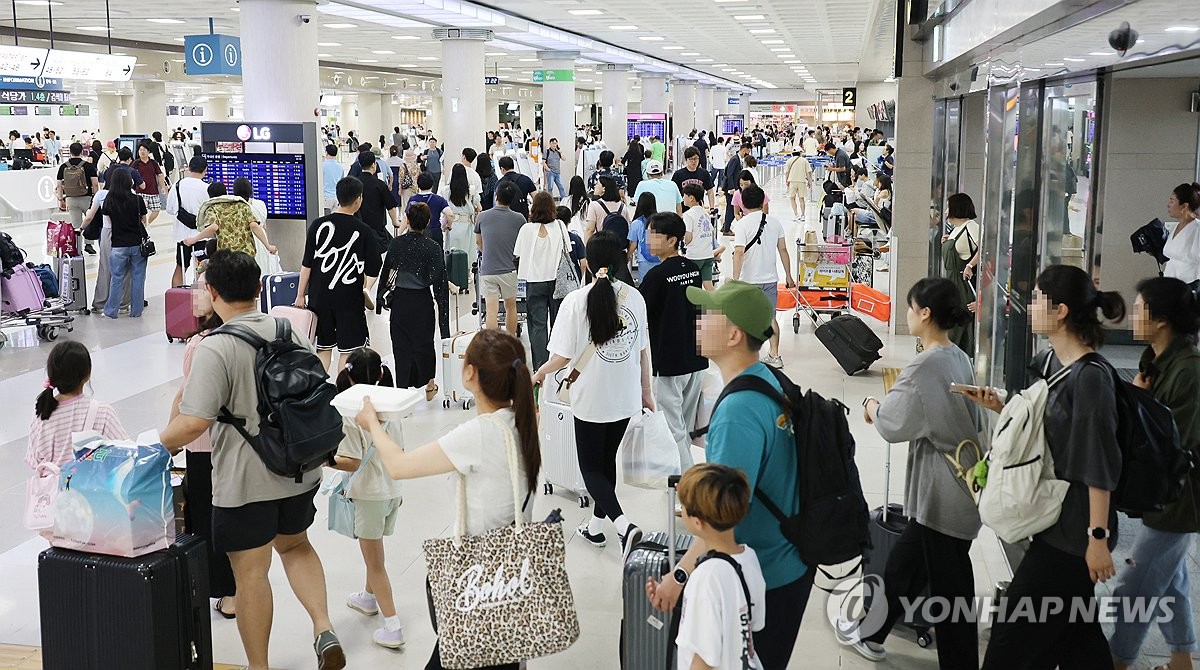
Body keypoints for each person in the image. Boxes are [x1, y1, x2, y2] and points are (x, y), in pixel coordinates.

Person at [159, 250, 347, 670]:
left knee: (250, 575)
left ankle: (259, 667)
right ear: (259, 288)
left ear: (211, 292)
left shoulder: (216, 346)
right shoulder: (289, 331)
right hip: (299, 469)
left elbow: (193, 422)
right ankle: (322, 626)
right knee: (296, 546)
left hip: (246, 483)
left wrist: (157, 448)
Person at [962, 264, 1125, 669]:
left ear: (1061, 311)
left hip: (1074, 534)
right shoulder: (1050, 361)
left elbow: (1099, 464)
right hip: (1051, 521)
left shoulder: (1091, 379)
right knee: (1077, 638)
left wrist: (1099, 538)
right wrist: (1000, 404)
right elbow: (1043, 423)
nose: (1029, 306)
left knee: (1010, 642)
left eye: (1037, 300)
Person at [648, 281, 813, 669]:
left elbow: (721, 515)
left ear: (735, 334)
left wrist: (680, 574)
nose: (697, 322)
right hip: (787, 563)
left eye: (707, 316)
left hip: (762, 575)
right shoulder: (768, 380)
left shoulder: (738, 411)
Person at [354, 328, 539, 670]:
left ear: (470, 373)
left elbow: (398, 466)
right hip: (510, 572)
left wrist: (372, 424)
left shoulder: (479, 434)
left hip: (476, 578)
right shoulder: (521, 423)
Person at [852, 278, 981, 667]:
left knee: (952, 590)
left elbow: (893, 424)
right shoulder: (957, 355)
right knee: (904, 567)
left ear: (925, 313)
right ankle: (872, 634)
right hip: (953, 488)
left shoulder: (925, 366)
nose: (907, 314)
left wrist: (873, 405)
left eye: (910, 308)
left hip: (943, 496)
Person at [532, 230, 653, 559]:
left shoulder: (575, 301)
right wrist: (646, 394)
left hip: (591, 397)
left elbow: (562, 356)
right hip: (625, 396)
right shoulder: (634, 298)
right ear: (622, 259)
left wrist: (541, 372)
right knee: (605, 463)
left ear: (590, 263)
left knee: (591, 469)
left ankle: (624, 525)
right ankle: (596, 527)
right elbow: (643, 353)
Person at [1110, 276, 1200, 670]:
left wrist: (1141, 402)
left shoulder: (1188, 372)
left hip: (1179, 499)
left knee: (1136, 585)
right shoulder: (1157, 361)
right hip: (1164, 496)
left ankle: (1118, 660)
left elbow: (1174, 443)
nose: (1133, 315)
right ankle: (1181, 658)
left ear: (1161, 319)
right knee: (1172, 579)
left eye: (1140, 308)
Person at [169, 276, 237, 620]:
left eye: (201, 288)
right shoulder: (233, 336)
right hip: (232, 442)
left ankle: (226, 590)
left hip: (201, 444)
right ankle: (231, 587)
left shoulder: (200, 344)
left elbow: (186, 399)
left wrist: (168, 439)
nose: (194, 294)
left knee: (207, 518)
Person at [329, 349, 406, 650]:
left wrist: (325, 460)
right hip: (392, 490)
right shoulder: (391, 405)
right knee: (374, 549)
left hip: (369, 495)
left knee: (376, 562)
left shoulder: (351, 413)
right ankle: (368, 596)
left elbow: (350, 460)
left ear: (348, 376)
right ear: (380, 375)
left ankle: (393, 625)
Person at [671, 463, 767, 670]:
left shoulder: (704, 578)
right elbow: (755, 623)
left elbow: (704, 659)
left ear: (698, 522)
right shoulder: (748, 557)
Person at [639, 212, 706, 469]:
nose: (648, 240)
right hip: (696, 357)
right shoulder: (692, 269)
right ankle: (684, 479)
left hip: (669, 360)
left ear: (672, 240)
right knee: (684, 427)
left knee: (672, 429)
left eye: (654, 235)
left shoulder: (657, 276)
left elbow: (639, 310)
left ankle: (688, 488)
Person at [295, 177, 383, 371]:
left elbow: (306, 264)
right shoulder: (363, 231)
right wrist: (366, 288)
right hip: (349, 299)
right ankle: (342, 393)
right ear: (359, 199)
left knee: (323, 350)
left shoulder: (317, 226)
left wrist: (300, 295)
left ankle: (319, 392)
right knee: (348, 351)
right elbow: (374, 268)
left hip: (319, 297)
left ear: (338, 196)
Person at [376, 202, 450, 399]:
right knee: (424, 344)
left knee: (401, 346)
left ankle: (401, 391)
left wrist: (380, 298)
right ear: (427, 222)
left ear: (407, 220)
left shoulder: (396, 244)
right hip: (422, 302)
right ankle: (429, 386)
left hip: (400, 302)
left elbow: (387, 273)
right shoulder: (433, 248)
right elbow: (439, 282)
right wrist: (444, 322)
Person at [25, 341, 128, 472]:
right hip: (89, 489)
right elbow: (126, 452)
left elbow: (34, 460)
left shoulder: (41, 412)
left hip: (51, 490)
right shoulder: (103, 412)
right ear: (88, 374)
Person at [731, 185, 793, 369]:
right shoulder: (775, 222)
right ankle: (774, 354)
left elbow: (739, 252)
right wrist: (788, 276)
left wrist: (735, 279)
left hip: (749, 280)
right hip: (770, 279)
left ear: (743, 203)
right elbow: (783, 249)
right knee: (770, 318)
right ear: (762, 201)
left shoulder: (742, 224)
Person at [515, 191, 572, 369]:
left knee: (538, 325)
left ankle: (540, 366)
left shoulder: (526, 229)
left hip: (534, 281)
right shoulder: (561, 226)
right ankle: (558, 364)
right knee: (558, 323)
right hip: (557, 282)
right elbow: (568, 251)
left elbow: (517, 254)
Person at [476, 181, 526, 337]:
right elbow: (522, 244)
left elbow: (478, 242)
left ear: (496, 196)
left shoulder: (482, 216)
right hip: (509, 270)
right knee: (511, 306)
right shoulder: (520, 219)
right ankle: (510, 340)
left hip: (488, 269)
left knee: (491, 310)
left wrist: (488, 253)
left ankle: (492, 343)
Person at [184, 181, 277, 261]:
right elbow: (254, 226)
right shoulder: (242, 205)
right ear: (226, 192)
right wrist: (268, 246)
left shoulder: (212, 209)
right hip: (247, 255)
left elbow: (213, 227)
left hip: (227, 256)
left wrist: (194, 239)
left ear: (210, 196)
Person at [100, 169, 148, 320]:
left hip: (118, 244)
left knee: (117, 278)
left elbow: (109, 223)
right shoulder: (137, 200)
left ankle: (111, 311)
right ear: (130, 181)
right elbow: (144, 221)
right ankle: (136, 311)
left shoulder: (109, 200)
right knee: (138, 277)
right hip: (137, 244)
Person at [941, 192, 980, 355]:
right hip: (952, 283)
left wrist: (970, 264)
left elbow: (985, 249)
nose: (945, 211)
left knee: (958, 327)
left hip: (962, 284)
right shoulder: (957, 229)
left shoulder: (971, 226)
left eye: (948, 207)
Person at [166, 156, 211, 288]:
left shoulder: (177, 185)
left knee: (181, 266)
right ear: (205, 170)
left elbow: (170, 209)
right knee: (203, 268)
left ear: (189, 168)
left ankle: (176, 298)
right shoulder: (207, 188)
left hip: (182, 235)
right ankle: (202, 300)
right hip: (202, 235)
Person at [56, 141, 100, 252]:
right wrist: (96, 197)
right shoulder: (88, 166)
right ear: (82, 152)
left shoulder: (63, 167)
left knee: (76, 225)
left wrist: (61, 199)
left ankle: (77, 248)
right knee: (90, 221)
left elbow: (59, 186)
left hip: (71, 199)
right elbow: (95, 183)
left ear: (70, 152)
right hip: (87, 198)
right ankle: (88, 244)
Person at [681, 184, 722, 290]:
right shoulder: (705, 213)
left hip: (695, 256)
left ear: (691, 198)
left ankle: (694, 306)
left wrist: (685, 243)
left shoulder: (688, 215)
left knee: (692, 286)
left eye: (684, 195)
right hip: (707, 255)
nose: (683, 198)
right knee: (708, 284)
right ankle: (716, 306)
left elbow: (688, 236)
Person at [355, 152, 401, 249]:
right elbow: (391, 206)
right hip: (377, 229)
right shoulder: (380, 184)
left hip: (358, 228)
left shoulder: (355, 183)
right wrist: (395, 221)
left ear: (360, 165)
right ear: (374, 164)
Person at [440, 163, 481, 259]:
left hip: (451, 225)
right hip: (467, 224)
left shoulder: (445, 190)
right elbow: (479, 207)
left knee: (451, 254)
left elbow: (442, 208)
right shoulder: (470, 190)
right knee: (467, 254)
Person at [1162, 182, 1200, 283]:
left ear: (1184, 206)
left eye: (1172, 201)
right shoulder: (1176, 228)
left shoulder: (1197, 229)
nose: (1168, 205)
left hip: (1189, 287)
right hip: (1171, 286)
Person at [405, 173, 452, 248]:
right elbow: (450, 214)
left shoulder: (413, 199)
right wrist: (449, 226)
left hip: (416, 232)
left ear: (418, 184)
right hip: (434, 231)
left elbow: (407, 217)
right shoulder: (439, 199)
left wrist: (400, 233)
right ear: (432, 184)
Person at [627, 192, 661, 282]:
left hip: (644, 260)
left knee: (645, 285)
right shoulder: (659, 220)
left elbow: (633, 244)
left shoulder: (637, 223)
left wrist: (628, 255)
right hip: (660, 257)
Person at [586, 175, 632, 242]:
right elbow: (628, 228)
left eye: (597, 184)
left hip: (601, 244)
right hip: (618, 247)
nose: (595, 186)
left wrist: (586, 248)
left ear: (604, 188)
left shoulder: (594, 205)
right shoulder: (622, 206)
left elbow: (590, 230)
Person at [133, 141, 168, 225]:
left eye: (144, 150)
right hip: (141, 191)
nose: (142, 151)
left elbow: (159, 175)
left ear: (148, 152)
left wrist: (163, 187)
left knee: (156, 210)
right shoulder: (136, 163)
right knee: (142, 211)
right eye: (140, 150)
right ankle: (142, 225)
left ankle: (146, 223)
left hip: (153, 191)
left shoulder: (153, 163)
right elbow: (130, 173)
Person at [720, 142, 749, 234]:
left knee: (731, 208)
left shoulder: (737, 159)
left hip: (734, 188)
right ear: (744, 150)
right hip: (731, 189)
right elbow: (729, 174)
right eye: (748, 151)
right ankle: (726, 229)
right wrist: (732, 188)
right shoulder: (735, 160)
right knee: (731, 209)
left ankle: (725, 226)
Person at [497, 155, 536, 220]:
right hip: (523, 213)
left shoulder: (500, 183)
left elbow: (497, 202)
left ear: (502, 169)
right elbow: (536, 197)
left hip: (505, 216)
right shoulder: (525, 179)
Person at [555, 205, 589, 281]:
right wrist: (582, 280)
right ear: (570, 220)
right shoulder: (575, 238)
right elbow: (583, 263)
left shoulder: (552, 239)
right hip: (573, 277)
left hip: (556, 278)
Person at [784, 150, 812, 221]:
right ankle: (803, 215)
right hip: (802, 181)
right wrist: (809, 181)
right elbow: (808, 172)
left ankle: (796, 215)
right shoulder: (804, 160)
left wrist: (786, 180)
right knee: (801, 199)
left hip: (792, 181)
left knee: (792, 198)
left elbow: (786, 172)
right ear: (800, 153)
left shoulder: (789, 160)